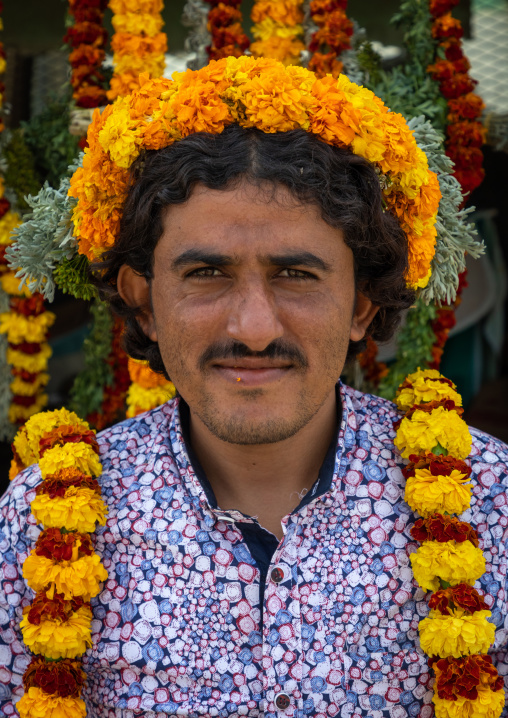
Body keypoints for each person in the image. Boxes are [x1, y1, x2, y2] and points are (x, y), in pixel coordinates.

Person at [1, 57, 507, 718]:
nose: (255, 329)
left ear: (361, 304)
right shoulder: (42, 517)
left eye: (296, 274)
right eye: (207, 273)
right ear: (144, 300)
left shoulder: (489, 502)